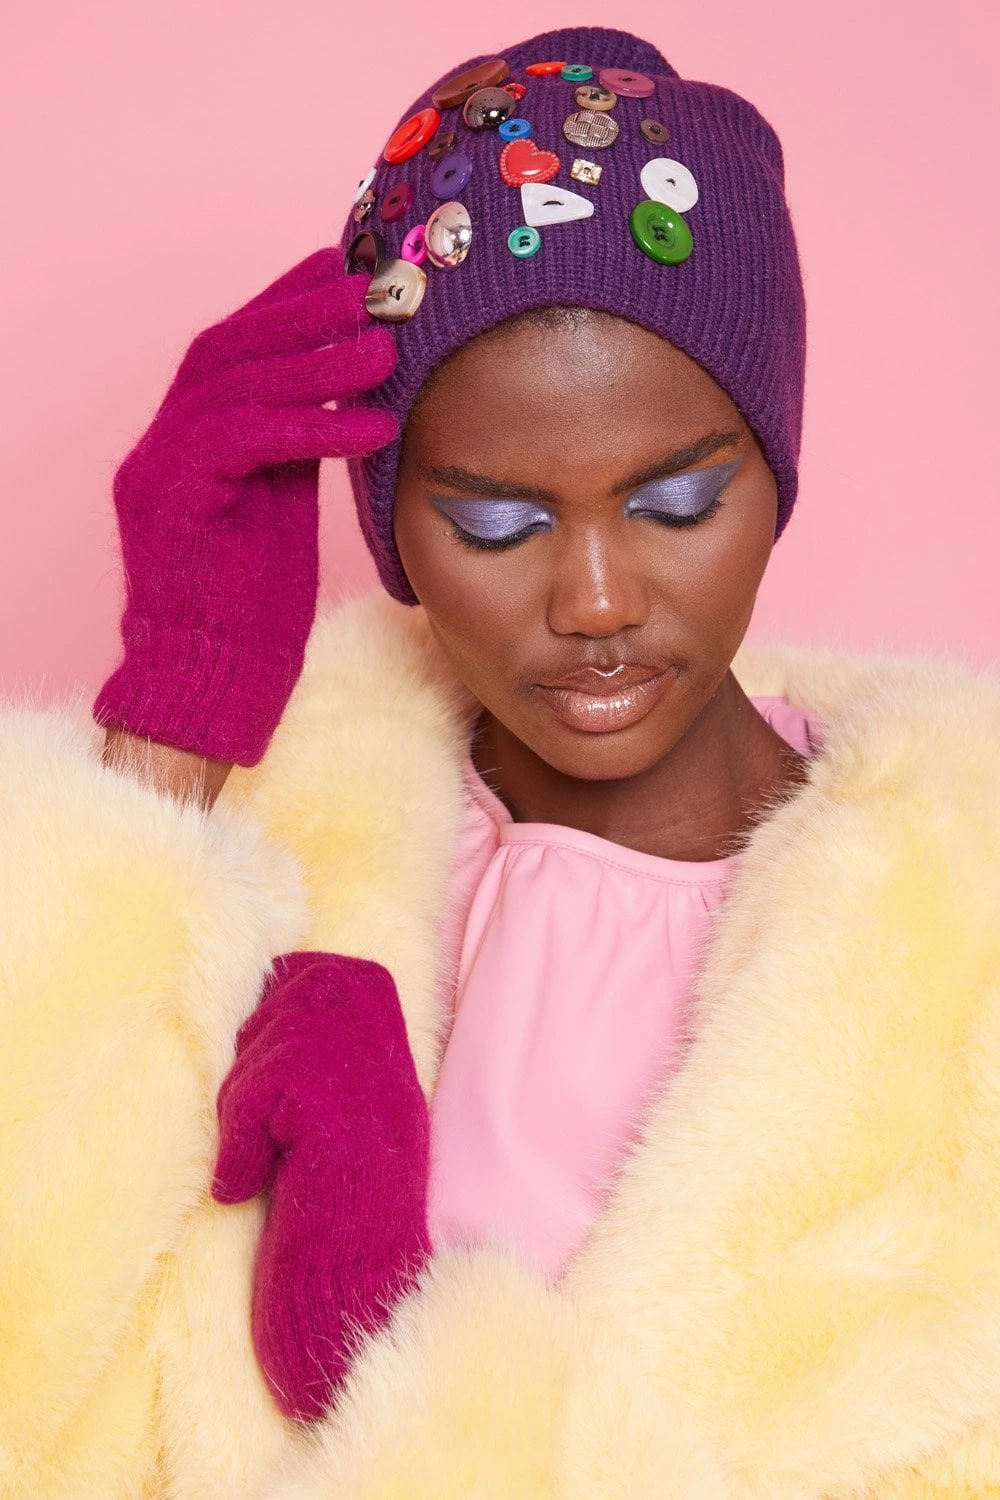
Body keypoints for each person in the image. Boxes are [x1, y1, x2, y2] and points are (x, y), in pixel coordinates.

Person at [2, 22, 998, 1500]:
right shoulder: (277, 861)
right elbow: (34, 1383)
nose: (595, 601)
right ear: (394, 527)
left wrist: (374, 1330)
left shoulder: (959, 938)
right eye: (494, 524)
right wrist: (175, 720)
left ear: (776, 469)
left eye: (676, 501)